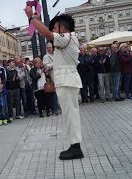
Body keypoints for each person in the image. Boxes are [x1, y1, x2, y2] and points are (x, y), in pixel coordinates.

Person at [24, 8, 83, 160]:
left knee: (70, 115)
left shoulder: (66, 37)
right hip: (66, 80)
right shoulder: (67, 39)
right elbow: (47, 32)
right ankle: (74, 145)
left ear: (62, 29)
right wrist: (36, 19)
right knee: (70, 114)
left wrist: (32, 17)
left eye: (55, 28)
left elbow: (46, 33)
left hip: (67, 80)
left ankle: (76, 147)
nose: (53, 31)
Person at [42, 43, 59, 115]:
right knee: (54, 94)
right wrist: (54, 64)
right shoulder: (45, 57)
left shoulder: (57, 54)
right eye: (48, 48)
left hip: (60, 75)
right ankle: (54, 109)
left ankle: (60, 107)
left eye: (50, 47)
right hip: (52, 77)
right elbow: (46, 66)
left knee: (60, 93)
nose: (49, 49)